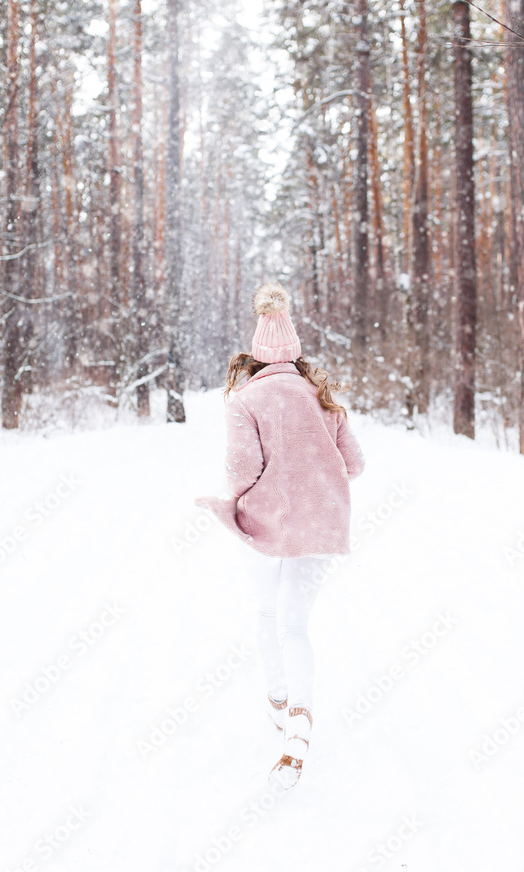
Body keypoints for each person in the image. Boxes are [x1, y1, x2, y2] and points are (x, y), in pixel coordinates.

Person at [196, 283, 365, 790]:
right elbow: (355, 464)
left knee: (268, 615)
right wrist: (314, 475)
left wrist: (255, 490)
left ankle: (276, 700)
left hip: (266, 526)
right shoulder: (322, 397)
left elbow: (241, 472)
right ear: (294, 350)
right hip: (321, 525)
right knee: (296, 624)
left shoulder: (245, 400)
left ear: (255, 353)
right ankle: (299, 723)